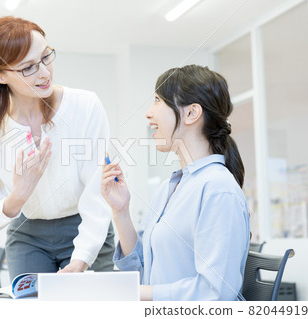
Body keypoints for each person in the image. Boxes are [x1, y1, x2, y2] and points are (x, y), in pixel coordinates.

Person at [0, 16, 114, 279]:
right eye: (28, 68)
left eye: (46, 57)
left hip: (86, 225)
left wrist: (80, 261)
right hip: (27, 234)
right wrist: (17, 197)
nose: (45, 72)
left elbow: (97, 192)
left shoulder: (85, 106)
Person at [101, 65, 250, 301]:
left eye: (158, 100)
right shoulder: (170, 188)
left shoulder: (218, 190)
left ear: (191, 113)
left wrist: (135, 293)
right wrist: (120, 211)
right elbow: (144, 276)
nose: (149, 113)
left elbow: (216, 294)